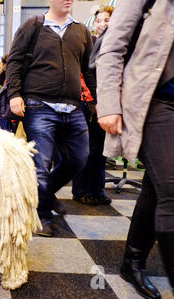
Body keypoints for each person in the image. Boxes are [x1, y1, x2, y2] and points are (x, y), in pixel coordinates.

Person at [96, 0, 173, 299]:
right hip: (157, 100)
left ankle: (133, 260)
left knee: (156, 187)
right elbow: (113, 48)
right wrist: (109, 104)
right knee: (171, 189)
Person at [6, 0, 96, 237]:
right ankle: (42, 215)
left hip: (73, 106)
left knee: (79, 159)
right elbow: (13, 62)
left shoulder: (81, 30)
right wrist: (15, 94)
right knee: (41, 167)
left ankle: (44, 194)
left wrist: (97, 100)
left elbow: (89, 69)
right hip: (39, 105)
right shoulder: (33, 26)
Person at [71, 6, 114, 207]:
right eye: (99, 21)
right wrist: (93, 101)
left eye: (106, 20)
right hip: (89, 104)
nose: (102, 24)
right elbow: (82, 76)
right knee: (87, 149)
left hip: (109, 106)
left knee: (102, 151)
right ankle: (81, 190)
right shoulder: (89, 44)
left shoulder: (117, 46)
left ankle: (98, 189)